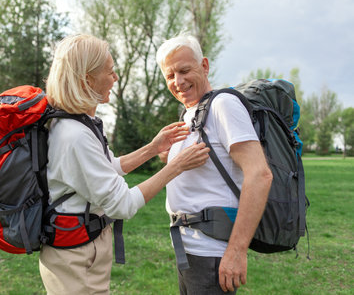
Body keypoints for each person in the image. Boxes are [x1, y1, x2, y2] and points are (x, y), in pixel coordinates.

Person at [39, 34, 211, 295]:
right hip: (76, 260)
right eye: (110, 71)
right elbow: (122, 205)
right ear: (88, 80)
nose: (115, 78)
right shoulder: (74, 136)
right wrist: (176, 167)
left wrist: (153, 148)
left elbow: (108, 167)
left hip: (81, 252)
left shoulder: (77, 124)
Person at [156, 35, 273, 294]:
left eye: (185, 70)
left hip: (212, 253)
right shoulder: (192, 113)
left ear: (205, 66)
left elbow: (260, 174)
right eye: (170, 75)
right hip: (188, 248)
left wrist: (236, 250)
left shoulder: (223, 105)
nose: (178, 82)